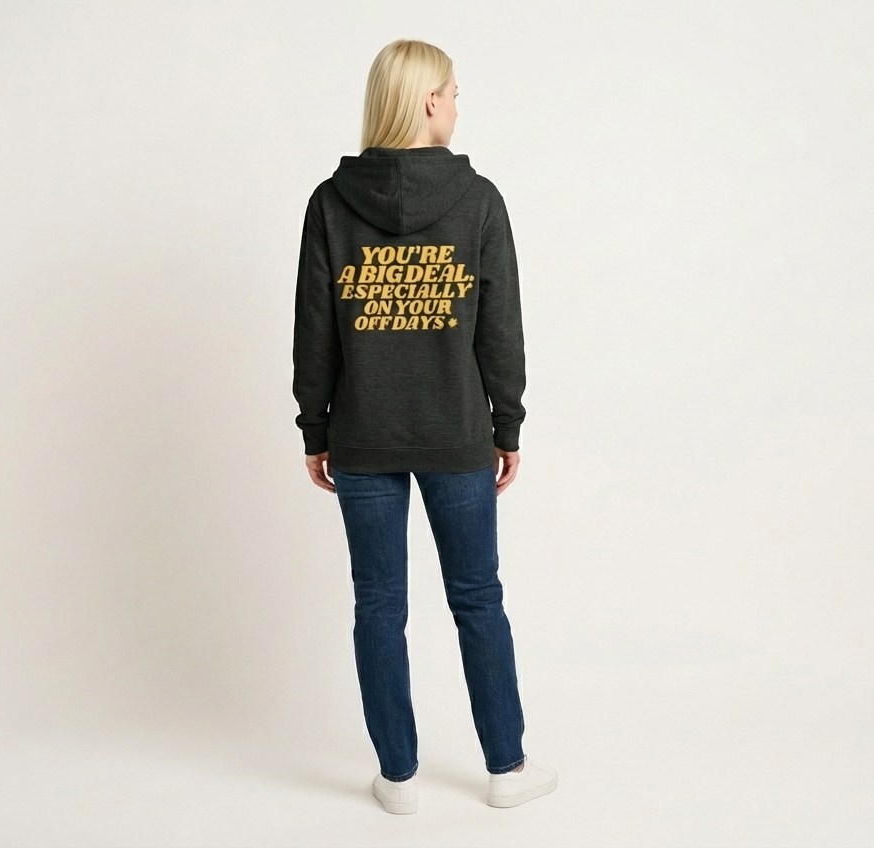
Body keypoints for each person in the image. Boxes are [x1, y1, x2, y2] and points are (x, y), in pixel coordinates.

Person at [292, 38, 556, 814]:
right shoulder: (479, 201)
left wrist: (317, 429)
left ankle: (398, 779)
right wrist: (507, 424)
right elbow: (500, 331)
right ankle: (505, 768)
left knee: (378, 605)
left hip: (364, 434)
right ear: (430, 100)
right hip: (457, 432)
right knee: (477, 598)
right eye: (454, 92)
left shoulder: (330, 203)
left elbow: (315, 331)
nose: (458, 106)